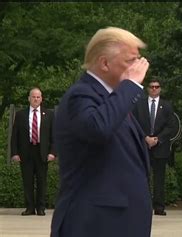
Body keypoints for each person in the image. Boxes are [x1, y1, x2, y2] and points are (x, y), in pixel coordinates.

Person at [50, 27, 152, 237]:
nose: (138, 69)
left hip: (119, 222)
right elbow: (98, 128)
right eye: (130, 61)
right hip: (94, 223)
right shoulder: (80, 95)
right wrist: (131, 85)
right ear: (105, 63)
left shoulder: (113, 99)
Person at [133, 79, 177, 216]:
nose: (154, 89)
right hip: (143, 145)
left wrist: (158, 139)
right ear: (147, 88)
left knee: (159, 178)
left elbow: (171, 126)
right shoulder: (139, 105)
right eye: (151, 87)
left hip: (160, 146)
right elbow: (134, 123)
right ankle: (143, 205)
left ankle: (159, 206)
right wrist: (145, 137)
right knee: (142, 177)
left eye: (156, 87)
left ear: (160, 89)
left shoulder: (167, 106)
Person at [10, 87, 55, 216]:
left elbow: (54, 136)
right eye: (33, 97)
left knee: (42, 181)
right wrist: (14, 153)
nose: (35, 99)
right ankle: (29, 207)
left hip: (42, 152)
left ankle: (41, 208)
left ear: (41, 99)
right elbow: (15, 136)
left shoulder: (49, 115)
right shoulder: (20, 115)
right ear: (28, 98)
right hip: (26, 151)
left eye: (38, 97)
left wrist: (52, 152)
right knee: (27, 181)